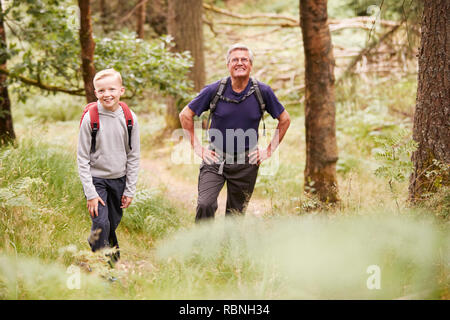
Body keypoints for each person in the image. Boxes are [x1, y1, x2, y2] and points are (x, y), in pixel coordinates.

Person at [179, 43, 290, 222]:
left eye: (244, 59)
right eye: (235, 60)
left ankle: (229, 249)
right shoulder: (214, 90)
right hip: (215, 159)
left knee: (235, 216)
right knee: (205, 204)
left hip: (246, 163)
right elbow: (185, 115)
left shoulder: (263, 91)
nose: (239, 63)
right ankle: (202, 246)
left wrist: (268, 151)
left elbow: (285, 119)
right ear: (228, 65)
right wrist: (198, 149)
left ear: (251, 65)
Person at [77, 68, 140, 262]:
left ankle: (104, 251)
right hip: (97, 181)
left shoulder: (130, 118)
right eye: (101, 91)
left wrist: (129, 190)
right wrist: (90, 193)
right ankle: (104, 268)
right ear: (95, 93)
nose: (107, 94)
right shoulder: (91, 118)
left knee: (111, 224)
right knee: (101, 223)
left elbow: (134, 156)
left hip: (119, 181)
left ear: (121, 90)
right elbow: (82, 158)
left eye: (112, 89)